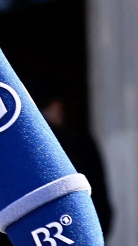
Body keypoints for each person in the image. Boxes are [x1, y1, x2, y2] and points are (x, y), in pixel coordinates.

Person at [40, 95, 114, 237]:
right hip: (80, 231)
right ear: (55, 106)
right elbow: (98, 196)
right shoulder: (77, 143)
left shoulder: (17, 149)